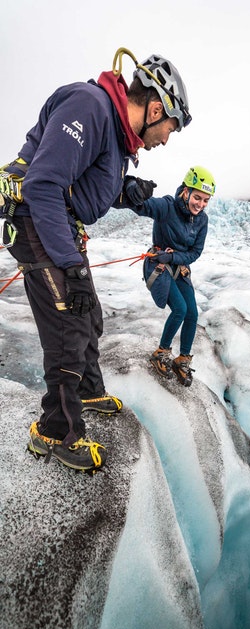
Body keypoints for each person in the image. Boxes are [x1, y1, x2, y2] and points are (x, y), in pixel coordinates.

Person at [0, 48, 192, 472]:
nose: (165, 139)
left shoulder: (116, 135)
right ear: (156, 108)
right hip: (39, 219)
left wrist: (126, 192)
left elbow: (84, 188)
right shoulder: (90, 107)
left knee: (89, 313)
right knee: (70, 321)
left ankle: (86, 390)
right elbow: (44, 184)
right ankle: (54, 433)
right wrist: (68, 262)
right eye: (170, 129)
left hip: (57, 223)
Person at [125, 166, 215, 387]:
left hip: (178, 268)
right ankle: (161, 353)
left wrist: (173, 257)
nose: (200, 204)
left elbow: (195, 252)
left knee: (192, 313)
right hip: (159, 267)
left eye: (205, 200)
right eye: (197, 197)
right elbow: (141, 207)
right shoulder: (167, 206)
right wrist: (136, 191)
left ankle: (183, 359)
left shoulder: (201, 220)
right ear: (185, 191)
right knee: (180, 309)